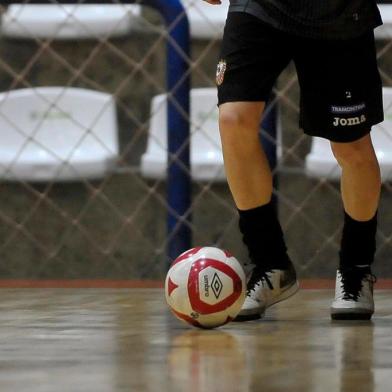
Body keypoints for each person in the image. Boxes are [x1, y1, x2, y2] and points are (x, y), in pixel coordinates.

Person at [204, 0, 384, 320]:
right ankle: (270, 263)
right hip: (258, 6)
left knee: (351, 147)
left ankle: (356, 268)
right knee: (233, 118)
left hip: (337, 12)